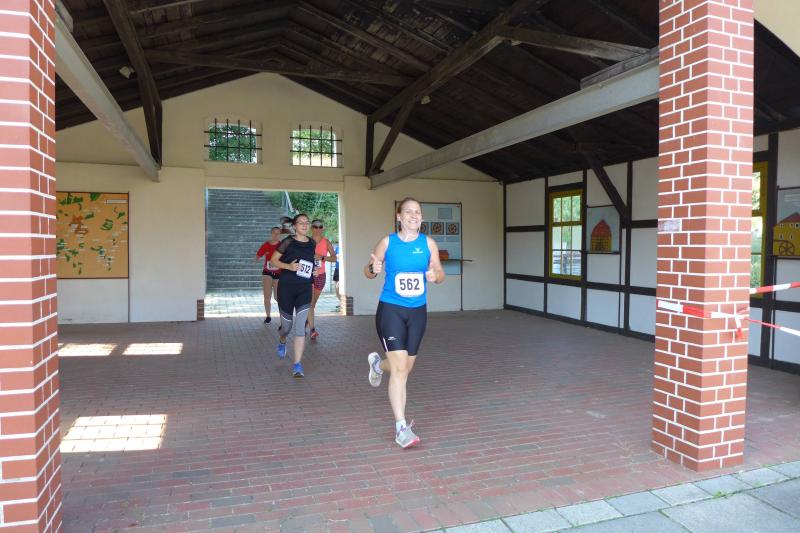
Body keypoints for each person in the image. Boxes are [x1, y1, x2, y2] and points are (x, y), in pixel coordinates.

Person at [364, 197, 445, 449]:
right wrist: (373, 268)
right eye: (408, 212)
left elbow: (440, 273)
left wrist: (434, 275)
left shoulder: (428, 244)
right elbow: (368, 271)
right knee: (400, 370)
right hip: (391, 310)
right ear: (399, 217)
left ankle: (378, 365)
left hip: (417, 312)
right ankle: (401, 428)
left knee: (405, 368)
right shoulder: (388, 242)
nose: (414, 215)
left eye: (417, 212)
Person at [269, 214, 318, 377]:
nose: (304, 225)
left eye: (306, 222)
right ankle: (282, 340)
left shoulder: (312, 243)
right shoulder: (288, 242)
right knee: (286, 327)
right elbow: (273, 260)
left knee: (300, 327)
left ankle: (297, 365)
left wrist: (314, 270)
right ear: (295, 226)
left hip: (305, 288)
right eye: (301, 223)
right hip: (287, 289)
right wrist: (289, 266)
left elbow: (310, 262)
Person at [307, 219, 337, 339]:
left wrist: (322, 257)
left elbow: (334, 258)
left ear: (322, 228)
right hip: (308, 275)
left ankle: (307, 321)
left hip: (320, 275)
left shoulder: (326, 242)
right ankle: (312, 330)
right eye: (315, 226)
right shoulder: (307, 241)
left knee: (313, 303)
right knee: (310, 303)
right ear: (312, 228)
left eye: (320, 227)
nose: (318, 229)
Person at [254, 226, 282, 323]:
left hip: (279, 273)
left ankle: (283, 316)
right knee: (267, 295)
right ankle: (268, 316)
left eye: (278, 233)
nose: (276, 235)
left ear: (280, 234)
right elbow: (257, 256)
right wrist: (258, 257)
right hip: (267, 272)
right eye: (274, 233)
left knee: (277, 297)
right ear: (271, 234)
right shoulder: (266, 245)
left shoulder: (282, 245)